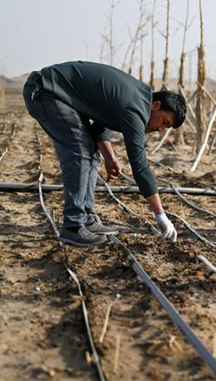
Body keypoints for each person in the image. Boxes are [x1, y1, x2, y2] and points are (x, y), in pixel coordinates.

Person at [23, 60, 186, 247]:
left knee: (90, 151)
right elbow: (139, 162)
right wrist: (160, 215)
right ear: (156, 105)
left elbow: (101, 120)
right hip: (46, 92)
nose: (160, 130)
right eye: (164, 122)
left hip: (57, 93)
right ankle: (73, 226)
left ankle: (86, 219)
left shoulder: (137, 96)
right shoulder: (136, 107)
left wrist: (109, 157)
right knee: (80, 152)